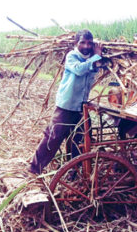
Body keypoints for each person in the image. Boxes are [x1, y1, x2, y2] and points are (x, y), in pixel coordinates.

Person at [29, 29, 102, 175]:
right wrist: (96, 57)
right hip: (66, 106)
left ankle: (74, 172)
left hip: (82, 107)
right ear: (76, 43)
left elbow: (93, 71)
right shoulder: (72, 56)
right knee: (53, 137)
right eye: (83, 42)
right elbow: (79, 70)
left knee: (80, 140)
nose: (86, 46)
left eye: (89, 43)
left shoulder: (91, 59)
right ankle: (34, 169)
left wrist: (96, 59)